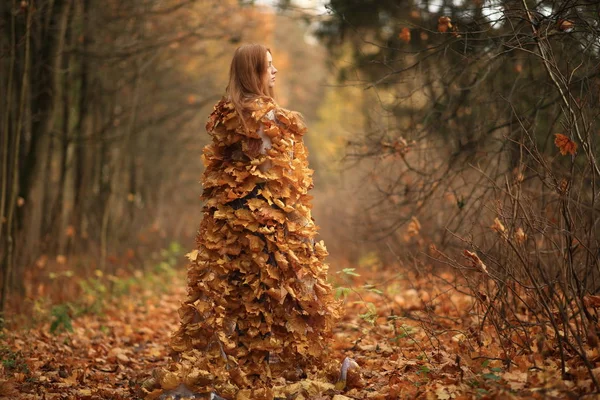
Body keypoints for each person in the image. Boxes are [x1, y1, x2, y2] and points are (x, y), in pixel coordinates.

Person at [149, 44, 341, 400]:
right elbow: (276, 176)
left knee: (235, 302)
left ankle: (235, 375)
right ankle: (263, 380)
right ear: (253, 72)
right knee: (277, 303)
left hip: (229, 229)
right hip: (268, 227)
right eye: (268, 66)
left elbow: (223, 176)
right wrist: (298, 225)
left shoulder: (225, 114)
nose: (275, 72)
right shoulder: (266, 117)